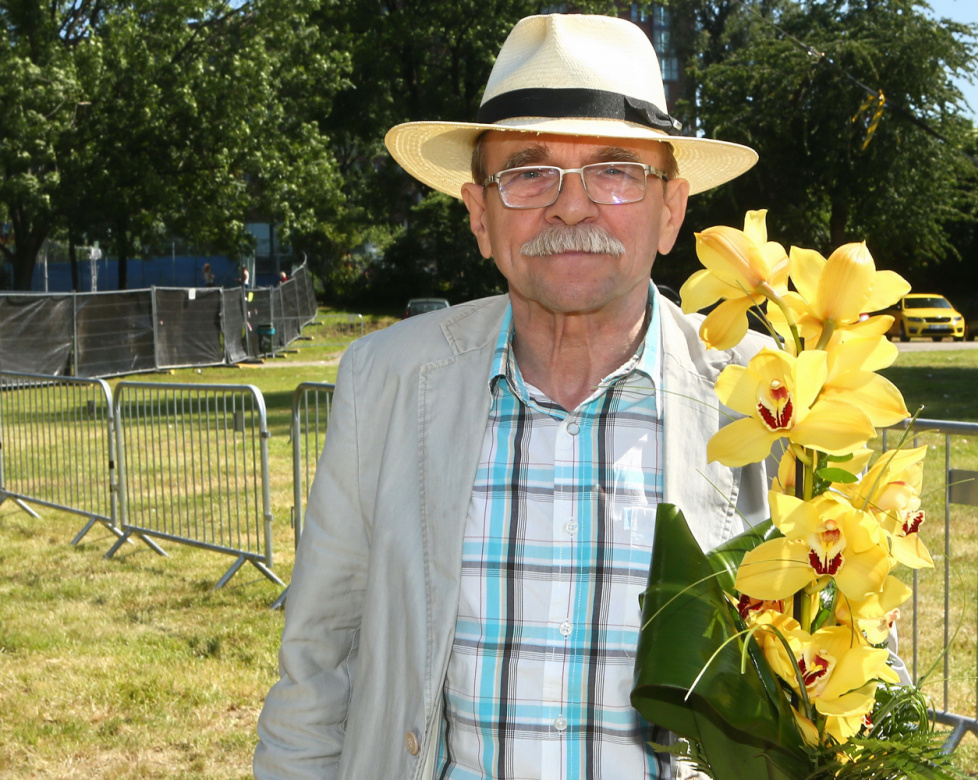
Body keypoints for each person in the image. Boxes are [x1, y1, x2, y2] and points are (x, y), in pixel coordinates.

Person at [255, 14, 768, 780]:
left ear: (671, 212)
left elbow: (850, 678)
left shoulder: (768, 394)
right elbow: (319, 655)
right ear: (479, 216)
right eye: (528, 171)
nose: (570, 207)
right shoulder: (386, 382)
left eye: (616, 170)